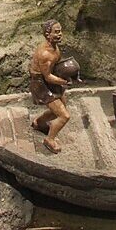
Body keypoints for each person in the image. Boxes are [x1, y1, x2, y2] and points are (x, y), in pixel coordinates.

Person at [29, 19, 71, 153]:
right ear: (48, 35)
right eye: (56, 32)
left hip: (49, 81)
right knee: (64, 116)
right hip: (41, 84)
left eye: (60, 31)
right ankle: (50, 139)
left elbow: (55, 68)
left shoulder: (55, 48)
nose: (60, 34)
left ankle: (39, 123)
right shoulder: (45, 54)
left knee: (61, 106)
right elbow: (47, 76)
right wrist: (63, 82)